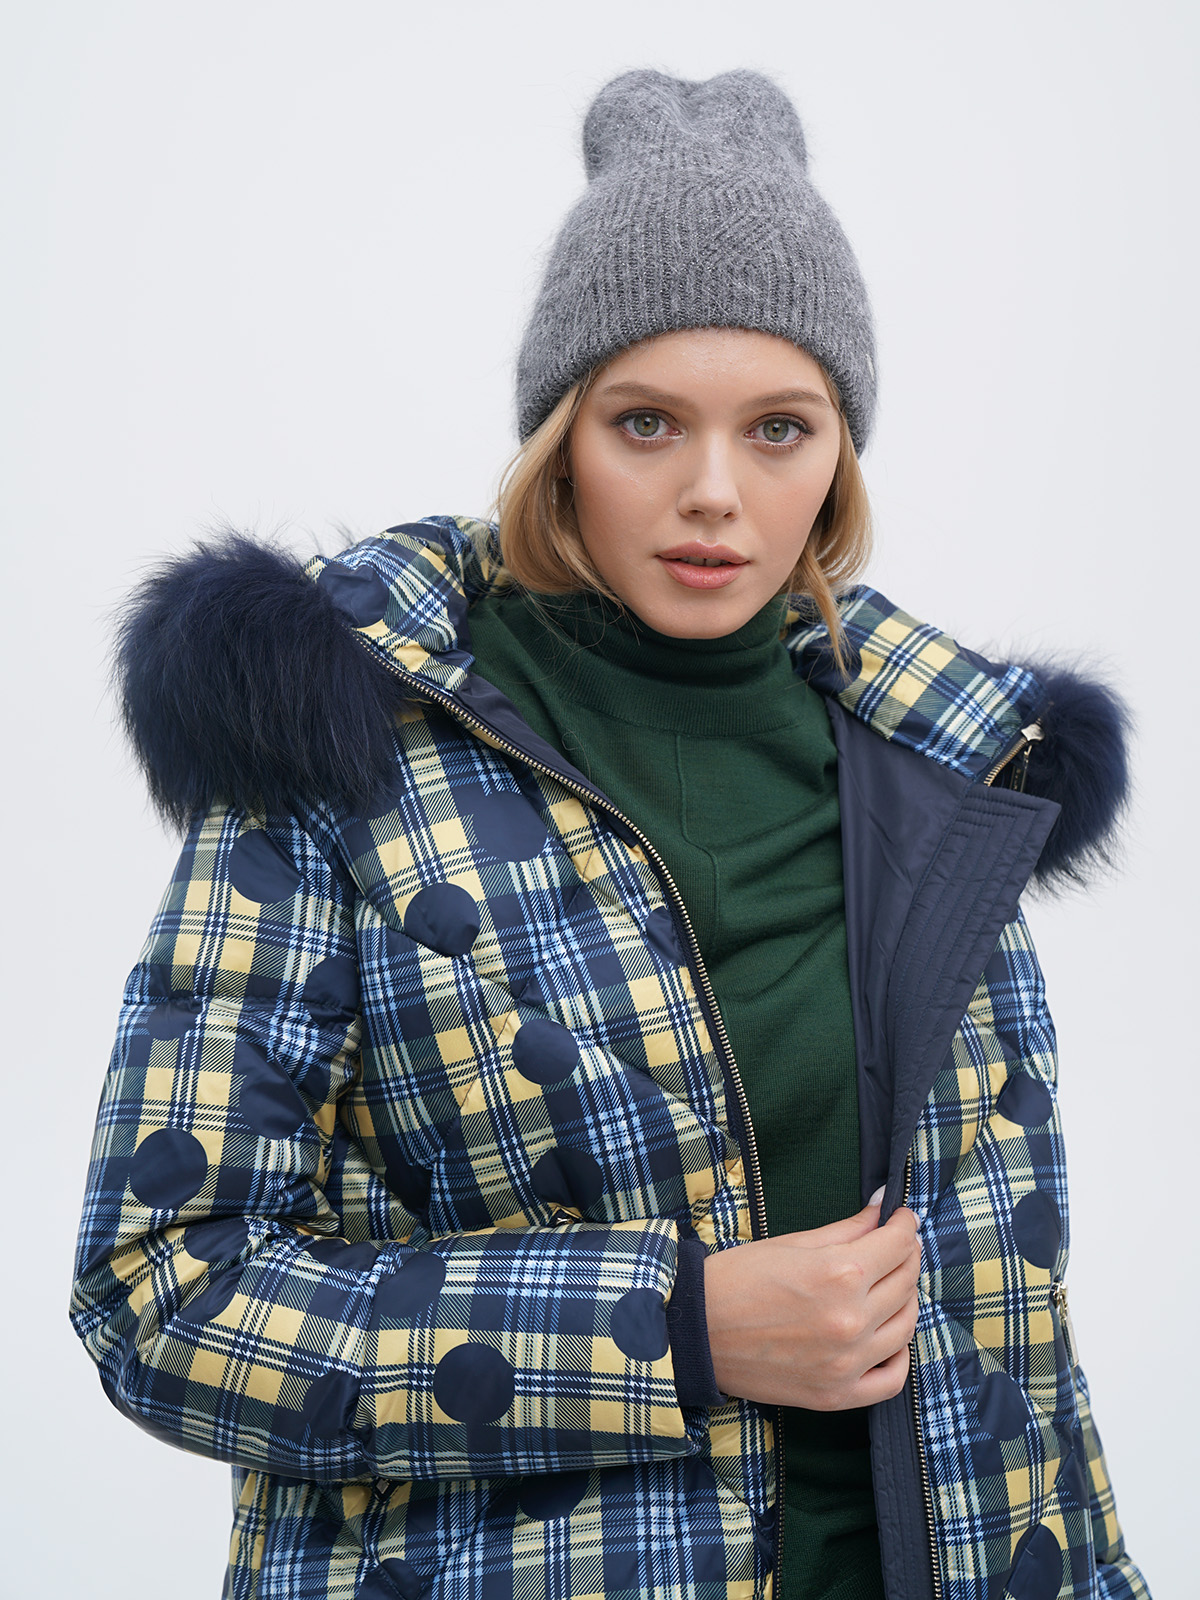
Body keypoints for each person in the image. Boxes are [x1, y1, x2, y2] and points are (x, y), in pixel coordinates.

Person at [70, 69, 1150, 1600]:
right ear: (560, 437)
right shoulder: (342, 743)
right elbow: (164, 1292)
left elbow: (1022, 1350)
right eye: (648, 422)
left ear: (840, 454)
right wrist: (677, 1328)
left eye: (779, 429)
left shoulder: (948, 774)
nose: (715, 493)